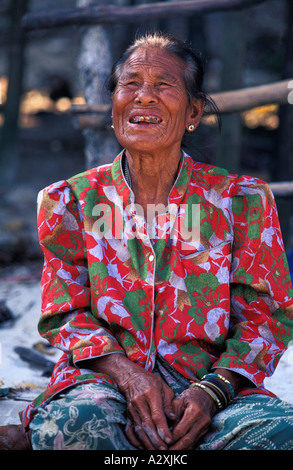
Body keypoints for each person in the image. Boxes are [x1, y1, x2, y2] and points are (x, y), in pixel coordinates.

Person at [1, 32, 293, 451]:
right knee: (74, 428)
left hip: (215, 388)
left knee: (281, 436)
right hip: (104, 383)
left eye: (163, 85)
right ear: (115, 104)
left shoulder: (241, 200)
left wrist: (211, 393)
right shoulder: (69, 200)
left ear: (193, 111)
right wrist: (131, 377)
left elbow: (267, 318)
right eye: (131, 83)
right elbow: (65, 313)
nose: (144, 97)